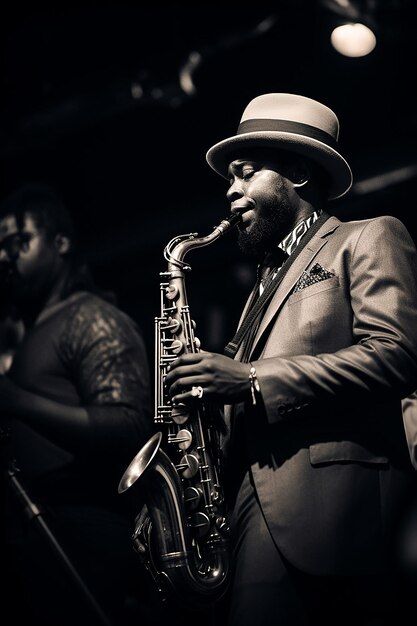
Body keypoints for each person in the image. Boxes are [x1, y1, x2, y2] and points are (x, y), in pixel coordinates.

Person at [164, 93, 417, 626]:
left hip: (336, 511)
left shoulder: (368, 236)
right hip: (246, 505)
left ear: (298, 173)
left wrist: (251, 376)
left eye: (246, 173)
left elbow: (396, 354)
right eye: (230, 178)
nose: (230, 190)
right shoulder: (260, 285)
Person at [0, 183, 155, 626]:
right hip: (38, 530)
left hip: (84, 533)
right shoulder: (33, 329)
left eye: (17, 243)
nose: (4, 259)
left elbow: (129, 426)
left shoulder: (90, 316)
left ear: (60, 243)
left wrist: (14, 400)